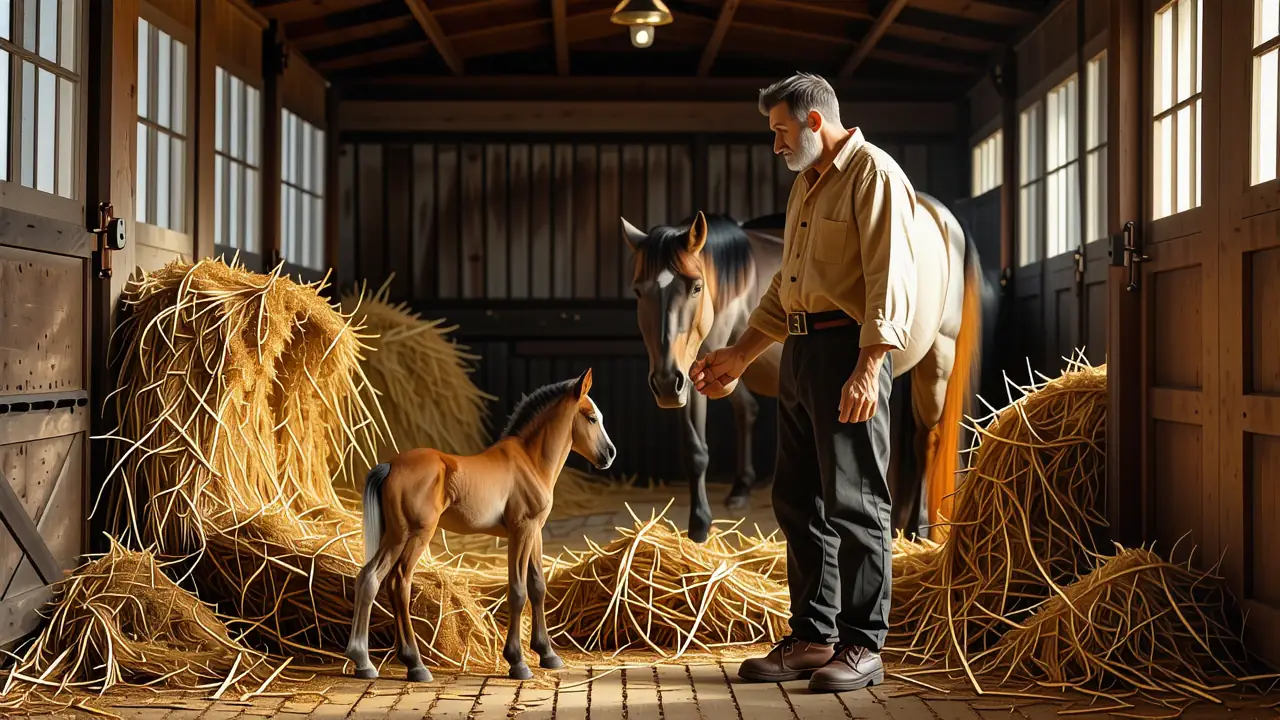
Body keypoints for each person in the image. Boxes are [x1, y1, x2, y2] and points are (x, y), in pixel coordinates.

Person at [689, 72, 918, 693]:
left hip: (849, 351)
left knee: (856, 500)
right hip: (799, 350)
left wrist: (869, 366)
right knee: (796, 498)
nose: (776, 143)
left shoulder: (874, 175)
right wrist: (739, 353)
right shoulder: (806, 187)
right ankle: (815, 637)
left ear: (815, 121)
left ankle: (863, 643)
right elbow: (784, 287)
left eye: (781, 130)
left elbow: (889, 280)